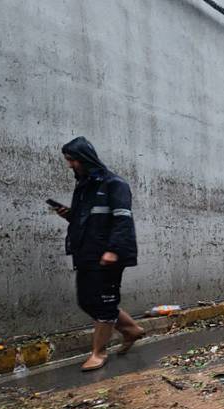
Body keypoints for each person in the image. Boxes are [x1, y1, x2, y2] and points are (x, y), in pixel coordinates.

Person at [53, 136, 145, 371]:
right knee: (86, 300)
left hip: (108, 255)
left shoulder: (115, 184)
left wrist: (113, 250)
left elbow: (123, 220)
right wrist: (69, 215)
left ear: (85, 158)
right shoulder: (84, 187)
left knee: (104, 302)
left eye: (72, 160)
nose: (70, 165)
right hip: (86, 253)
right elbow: (88, 220)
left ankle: (99, 352)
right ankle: (132, 330)